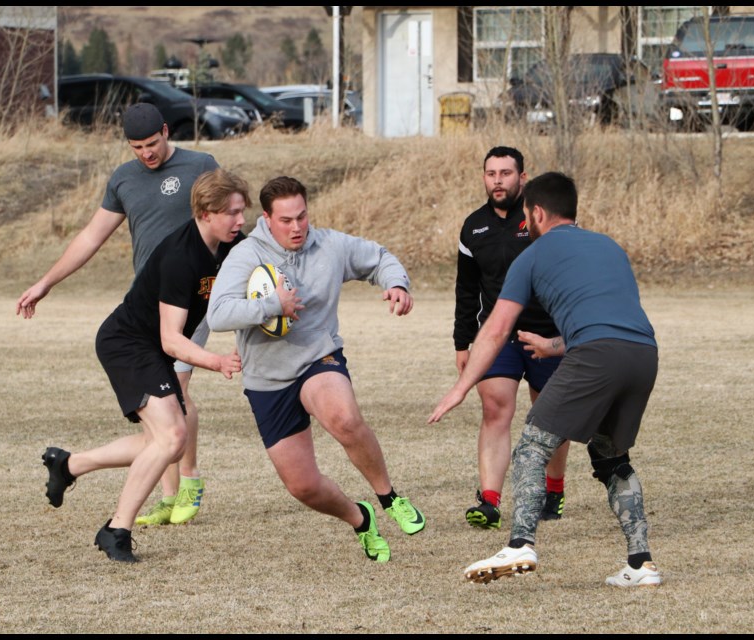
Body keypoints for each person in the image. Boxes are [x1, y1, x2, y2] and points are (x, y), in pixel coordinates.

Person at [429, 172, 661, 587]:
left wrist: (460, 388)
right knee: (612, 459)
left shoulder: (531, 257)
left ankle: (520, 543)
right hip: (643, 355)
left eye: (526, 217)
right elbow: (609, 318)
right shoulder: (610, 247)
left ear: (536, 213)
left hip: (595, 356)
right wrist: (554, 346)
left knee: (532, 448)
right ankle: (641, 564)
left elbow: (497, 329)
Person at [17, 103, 218, 526]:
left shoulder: (201, 165)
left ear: (166, 132)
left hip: (191, 300)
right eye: (137, 147)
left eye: (152, 144)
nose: (146, 154)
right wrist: (46, 282)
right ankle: (150, 490)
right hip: (145, 305)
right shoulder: (123, 179)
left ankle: (190, 481)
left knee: (177, 391)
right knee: (164, 413)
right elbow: (91, 235)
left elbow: (227, 224)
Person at [206, 176, 425, 564]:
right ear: (268, 220)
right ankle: (360, 519)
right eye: (286, 220)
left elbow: (379, 257)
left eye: (302, 217)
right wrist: (272, 305)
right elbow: (218, 314)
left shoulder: (330, 245)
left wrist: (397, 284)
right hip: (267, 379)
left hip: (317, 356)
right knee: (303, 486)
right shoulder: (246, 255)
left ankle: (389, 497)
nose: (296, 227)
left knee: (343, 418)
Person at [40, 168, 248, 562]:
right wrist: (216, 360)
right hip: (129, 343)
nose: (240, 221)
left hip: (152, 348)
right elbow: (172, 339)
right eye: (231, 213)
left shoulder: (232, 243)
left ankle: (69, 465)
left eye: (242, 212)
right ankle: (116, 529)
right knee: (172, 438)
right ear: (205, 213)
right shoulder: (179, 257)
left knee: (164, 442)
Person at [455, 146, 570, 529]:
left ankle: (553, 490)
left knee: (549, 416)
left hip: (546, 334)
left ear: (523, 177)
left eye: (506, 173)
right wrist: (462, 342)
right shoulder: (473, 227)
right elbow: (466, 290)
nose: (498, 180)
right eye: (491, 173)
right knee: (495, 410)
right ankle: (489, 500)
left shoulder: (540, 220)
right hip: (497, 335)